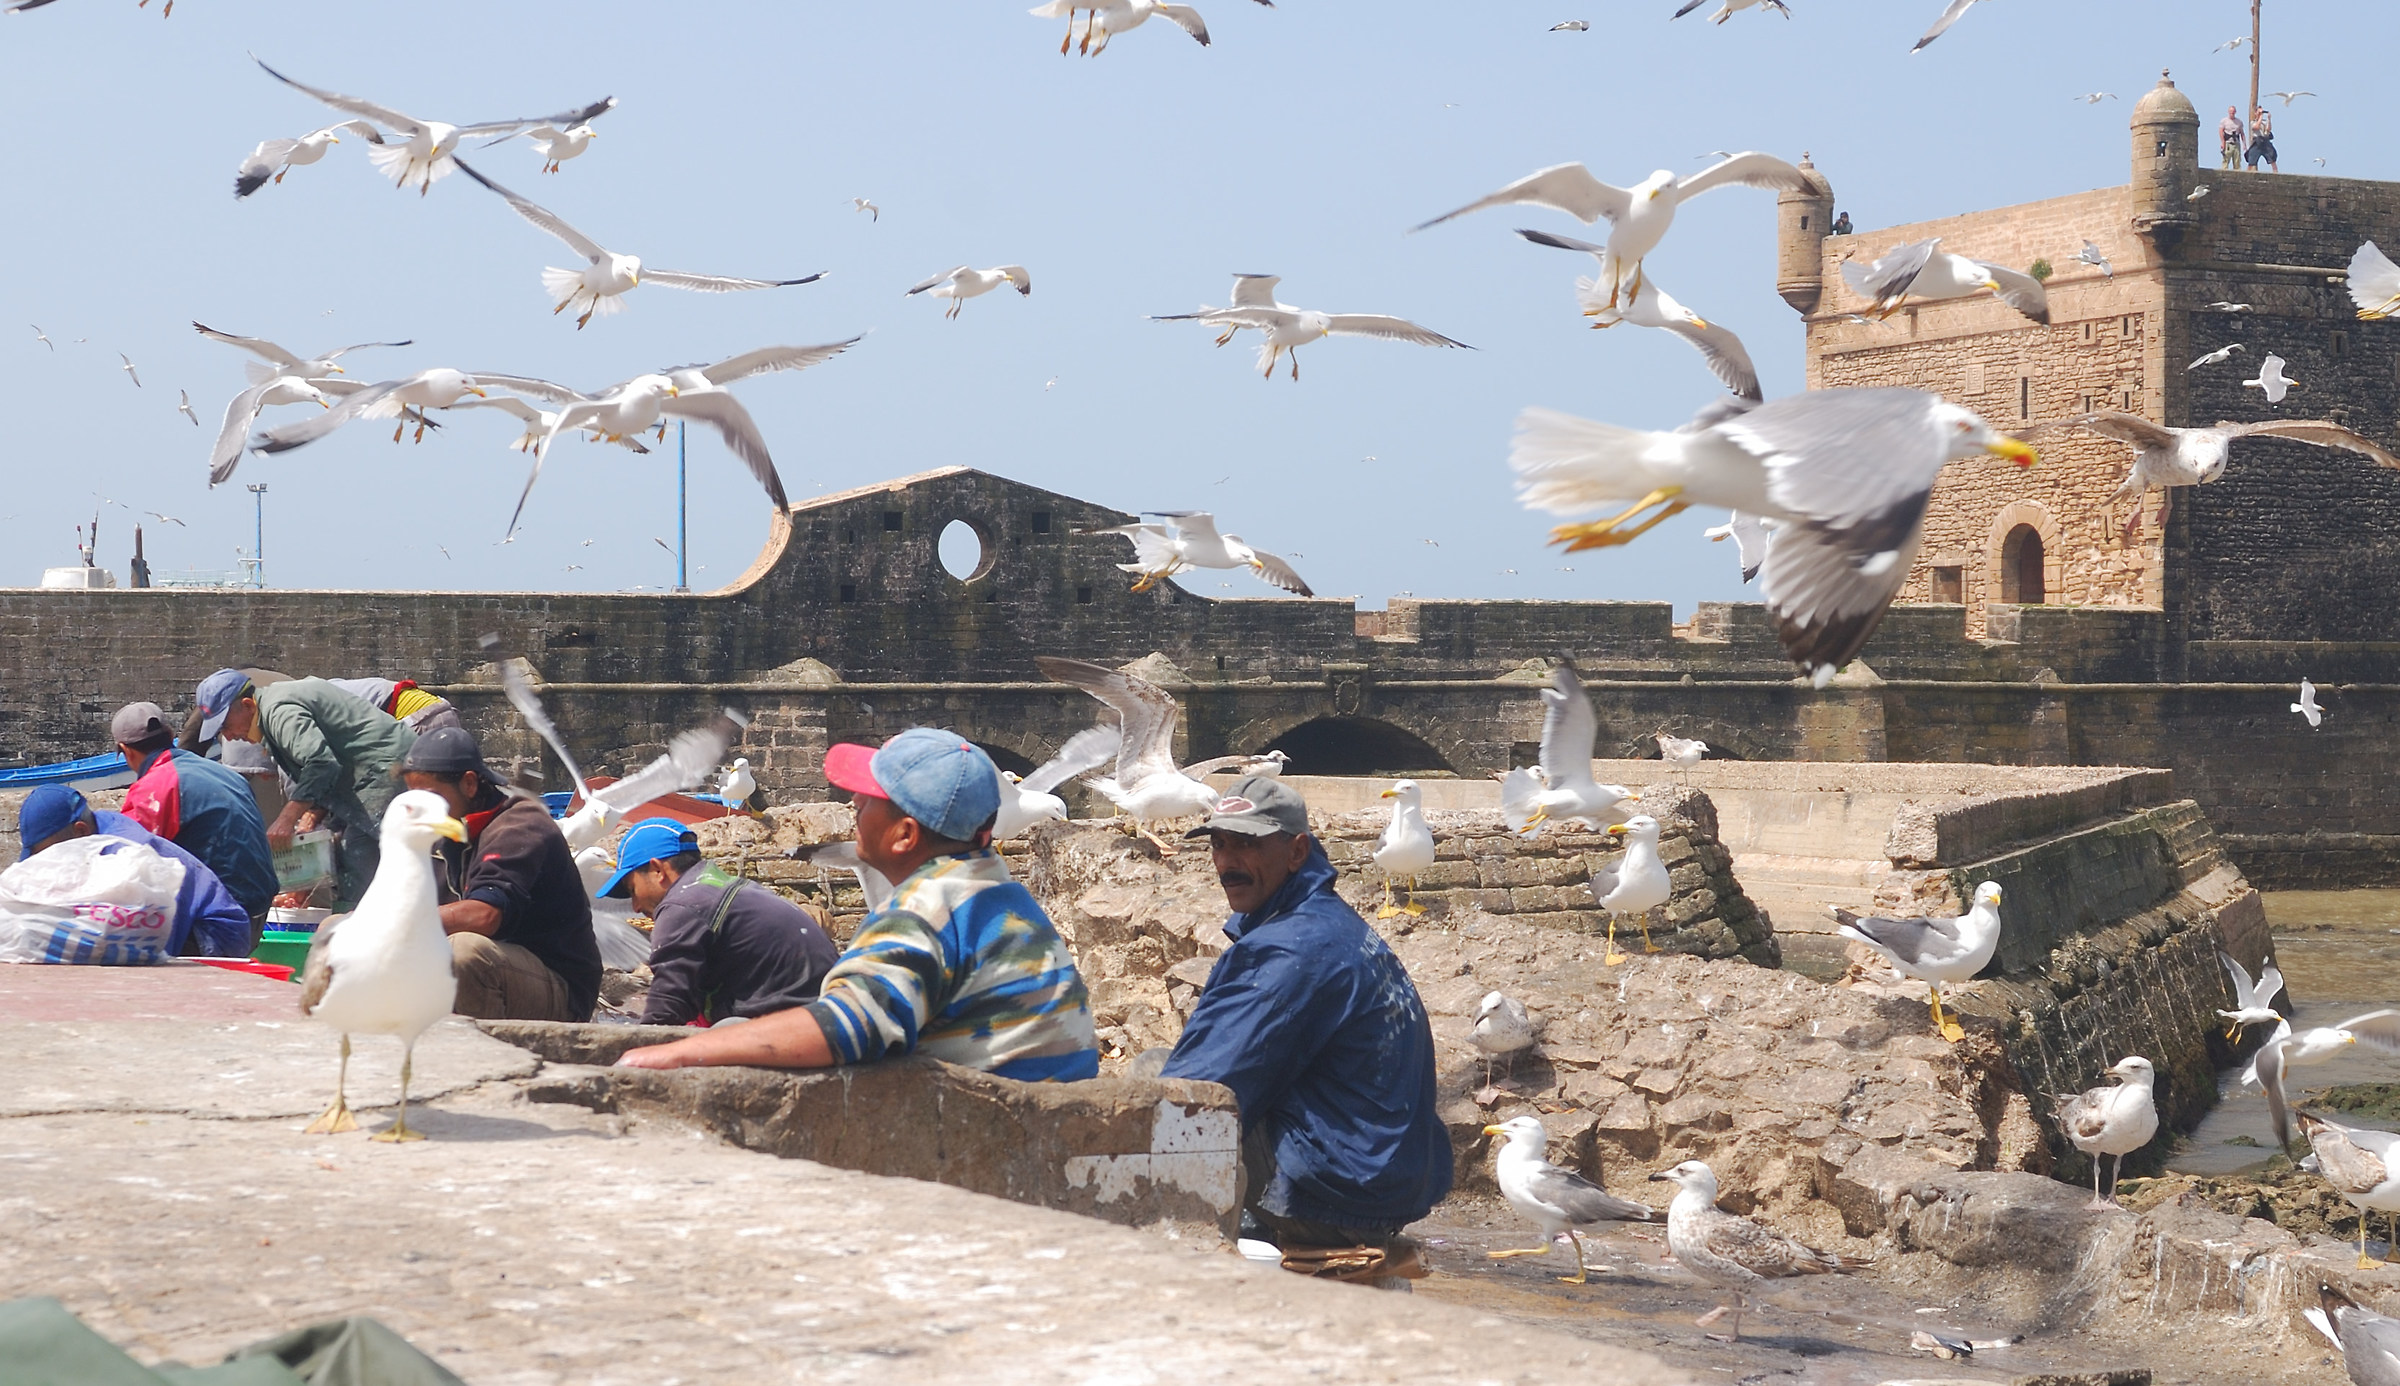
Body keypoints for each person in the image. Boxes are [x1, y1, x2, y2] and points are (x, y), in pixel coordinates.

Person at [616, 729, 1099, 1081]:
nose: (851, 804)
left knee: (734, 1033)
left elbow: (846, 1027)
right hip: (1053, 1107)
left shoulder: (925, 909)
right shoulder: (998, 890)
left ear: (904, 835)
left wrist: (678, 1053)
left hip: (1001, 1126)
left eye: (867, 799)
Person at [1160, 777, 1453, 1252]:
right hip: (1382, 1181)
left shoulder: (1290, 952)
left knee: (1162, 1095)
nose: (1227, 863)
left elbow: (1197, 1088)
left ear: (1297, 852)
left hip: (1337, 1196)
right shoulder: (1324, 923)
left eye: (1247, 845)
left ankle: (1196, 1248)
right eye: (1219, 844)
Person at [397, 727, 601, 1022]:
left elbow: (485, 915)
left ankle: (480, 1048)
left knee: (463, 953)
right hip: (485, 968)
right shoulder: (436, 831)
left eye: (429, 797)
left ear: (469, 784)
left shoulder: (520, 824)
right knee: (337, 930)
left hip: (557, 986)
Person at [194, 668, 415, 909]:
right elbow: (328, 775)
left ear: (248, 705)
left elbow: (321, 763)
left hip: (386, 770)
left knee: (359, 856)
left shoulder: (278, 712)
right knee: (342, 851)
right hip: (371, 774)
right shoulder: (271, 712)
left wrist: (287, 818)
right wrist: (309, 820)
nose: (228, 736)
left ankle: (356, 922)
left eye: (226, 726)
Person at [597, 817, 841, 1027]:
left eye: (632, 890)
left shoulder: (682, 905)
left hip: (802, 1025)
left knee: (721, 1032)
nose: (635, 907)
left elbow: (667, 1008)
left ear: (657, 870)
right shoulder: (727, 887)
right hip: (828, 1013)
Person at [16, 785, 255, 957]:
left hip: (212, 932)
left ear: (80, 831)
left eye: (51, 853)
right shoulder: (98, 824)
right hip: (178, 919)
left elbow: (150, 924)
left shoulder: (125, 855)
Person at [112, 701, 279, 938]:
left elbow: (127, 859)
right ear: (170, 735)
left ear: (125, 750)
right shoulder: (225, 773)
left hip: (221, 920)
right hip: (258, 910)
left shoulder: (154, 785)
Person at [2247, 107, 2278, 173]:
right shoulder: (2253, 122)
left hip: (2265, 142)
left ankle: (2276, 173)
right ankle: (2247, 174)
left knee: (2272, 159)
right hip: (2257, 142)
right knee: (2251, 161)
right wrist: (2260, 117)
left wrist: (2269, 119)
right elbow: (2256, 127)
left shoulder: (2264, 122)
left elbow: (2268, 129)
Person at [2219, 104, 2244, 171]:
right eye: (2230, 112)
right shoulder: (2224, 121)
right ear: (2228, 112)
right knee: (2225, 160)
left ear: (2235, 112)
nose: (2232, 113)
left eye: (2233, 112)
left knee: (2237, 162)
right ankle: (2224, 173)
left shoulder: (2239, 122)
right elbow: (2220, 131)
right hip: (2228, 143)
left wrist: (2244, 144)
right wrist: (2222, 142)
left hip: (2236, 144)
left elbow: (2242, 133)